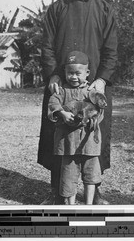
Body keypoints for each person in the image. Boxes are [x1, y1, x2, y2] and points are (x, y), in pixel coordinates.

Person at [37, 0, 118, 204]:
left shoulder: (105, 10)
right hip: (62, 86)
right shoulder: (58, 8)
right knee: (58, 134)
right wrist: (52, 75)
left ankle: (94, 191)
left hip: (93, 88)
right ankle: (57, 192)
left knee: (93, 135)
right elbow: (47, 46)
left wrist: (102, 80)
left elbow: (111, 51)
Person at [48, 51, 106, 205]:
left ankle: (89, 204)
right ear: (65, 73)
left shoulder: (92, 93)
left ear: (87, 73)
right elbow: (52, 103)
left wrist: (92, 117)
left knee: (91, 175)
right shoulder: (62, 91)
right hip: (68, 144)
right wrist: (62, 114)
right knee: (68, 175)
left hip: (89, 143)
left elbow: (100, 111)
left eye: (78, 73)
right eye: (70, 73)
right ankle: (70, 206)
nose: (73, 77)